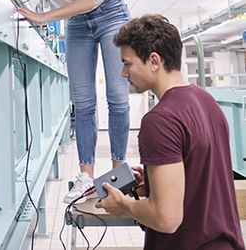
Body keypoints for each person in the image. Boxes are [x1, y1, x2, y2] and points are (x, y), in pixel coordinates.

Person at [3, 0, 130, 204]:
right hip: (78, 23)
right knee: (83, 100)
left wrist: (43, 16)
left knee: (117, 95)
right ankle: (86, 176)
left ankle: (119, 174)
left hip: (108, 10)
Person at [97, 14, 244, 249]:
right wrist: (156, 183)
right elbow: (202, 174)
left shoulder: (159, 120)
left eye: (127, 63)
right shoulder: (207, 102)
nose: (124, 74)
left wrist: (123, 204)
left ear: (154, 61)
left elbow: (166, 218)